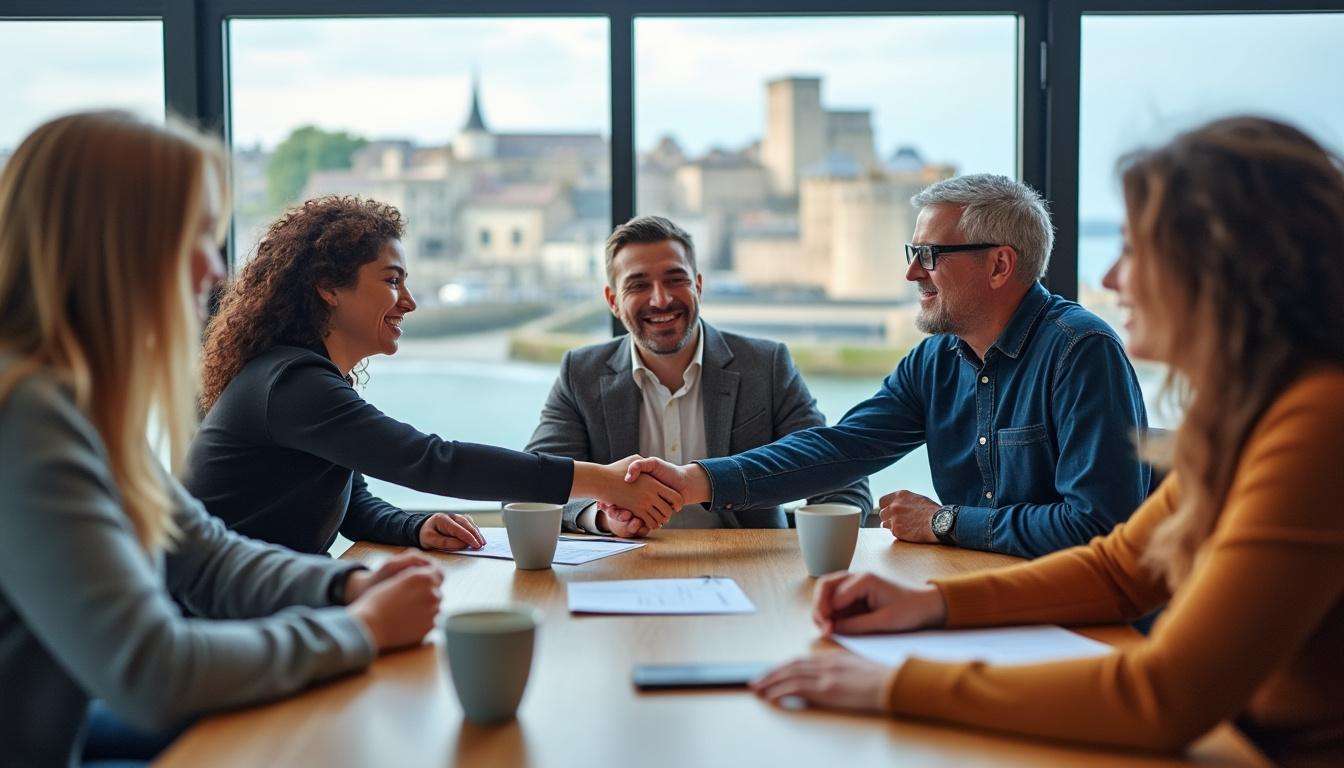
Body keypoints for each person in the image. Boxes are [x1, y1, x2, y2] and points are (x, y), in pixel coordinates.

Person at [749, 116, 1344, 767]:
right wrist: (928, 605)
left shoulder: (1319, 423)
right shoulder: (1240, 413)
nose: (1113, 278)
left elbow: (1165, 695)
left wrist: (896, 684)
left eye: (1135, 249)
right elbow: (1119, 567)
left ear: (1227, 269)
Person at [0, 110, 445, 766]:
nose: (215, 267)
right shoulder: (24, 415)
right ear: (118, 242)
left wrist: (343, 590)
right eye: (199, 234)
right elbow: (153, 673)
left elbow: (204, 554)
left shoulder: (78, 400)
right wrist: (360, 628)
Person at [625, 175, 1150, 558]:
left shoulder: (1080, 350)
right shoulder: (936, 359)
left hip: (1074, 611)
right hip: (981, 590)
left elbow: (1098, 527)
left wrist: (944, 522)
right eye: (911, 251)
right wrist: (694, 481)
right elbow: (841, 448)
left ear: (999, 265)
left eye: (929, 254)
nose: (909, 272)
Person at [184, 196, 681, 555]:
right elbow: (432, 461)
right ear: (328, 289)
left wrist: (414, 528)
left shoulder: (302, 380)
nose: (410, 301)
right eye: (392, 280)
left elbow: (353, 505)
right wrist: (605, 481)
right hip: (223, 620)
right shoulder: (293, 386)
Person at [525, 215, 871, 536]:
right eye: (638, 285)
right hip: (623, 566)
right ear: (613, 300)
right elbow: (532, 488)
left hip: (746, 569)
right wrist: (603, 518)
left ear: (699, 286)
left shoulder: (766, 365)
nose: (660, 300)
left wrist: (826, 548)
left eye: (675, 280)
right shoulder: (580, 373)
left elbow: (838, 475)